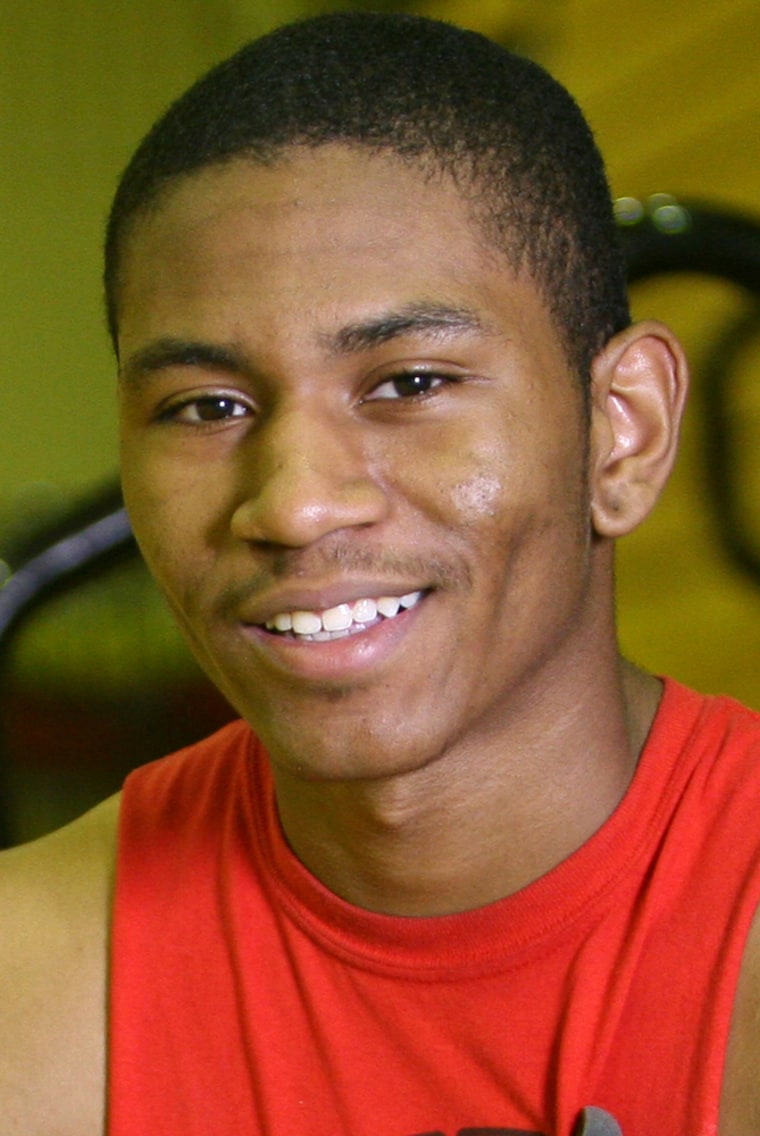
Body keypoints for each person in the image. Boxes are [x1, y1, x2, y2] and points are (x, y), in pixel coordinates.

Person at [1, 11, 759, 1135]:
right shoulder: (30, 971)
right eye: (207, 406)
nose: (295, 503)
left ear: (622, 430)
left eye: (408, 382)